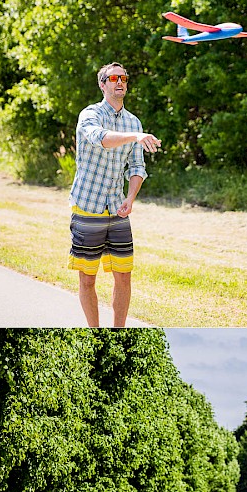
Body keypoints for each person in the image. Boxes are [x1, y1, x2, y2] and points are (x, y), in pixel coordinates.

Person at [68, 62, 161, 327]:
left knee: (124, 275)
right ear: (102, 84)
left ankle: (117, 330)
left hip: (117, 209)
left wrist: (130, 198)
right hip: (88, 206)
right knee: (87, 277)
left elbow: (137, 168)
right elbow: (101, 138)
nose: (120, 82)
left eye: (124, 78)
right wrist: (135, 136)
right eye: (113, 78)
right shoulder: (90, 115)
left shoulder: (134, 122)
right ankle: (94, 331)